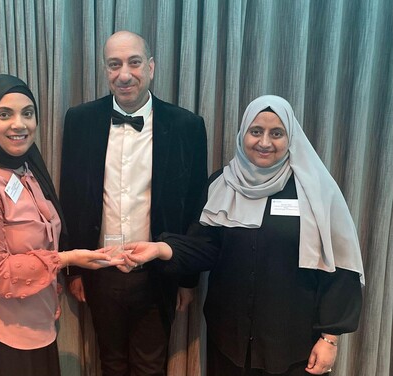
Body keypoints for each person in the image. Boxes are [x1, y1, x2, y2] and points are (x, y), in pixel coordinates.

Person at [122, 95, 364, 375]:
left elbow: (340, 268)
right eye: (256, 131)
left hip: (293, 345)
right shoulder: (221, 184)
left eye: (277, 133)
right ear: (243, 133)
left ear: (291, 138)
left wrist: (330, 338)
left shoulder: (315, 192)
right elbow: (206, 247)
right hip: (229, 341)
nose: (264, 142)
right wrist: (161, 249)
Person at [0, 74, 118, 376]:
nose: (20, 124)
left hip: (30, 328)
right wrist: (66, 260)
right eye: (5, 114)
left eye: (27, 113)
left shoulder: (23, 169)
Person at [59, 31, 208, 376]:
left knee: (151, 367)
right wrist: (76, 270)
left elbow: (195, 207)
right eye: (114, 64)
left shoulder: (187, 126)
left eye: (134, 62)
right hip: (99, 271)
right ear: (106, 70)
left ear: (151, 67)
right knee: (109, 363)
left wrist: (186, 278)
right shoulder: (79, 120)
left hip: (157, 273)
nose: (124, 74)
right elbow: (71, 196)